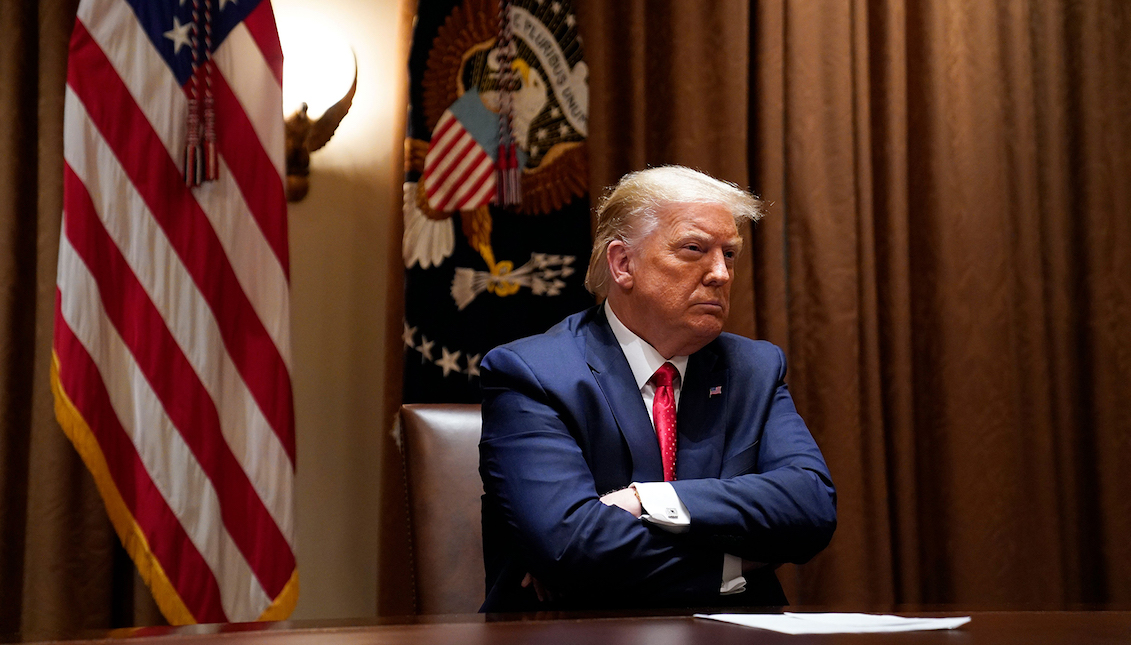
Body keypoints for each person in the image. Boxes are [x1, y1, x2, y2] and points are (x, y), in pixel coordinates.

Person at [478, 166, 836, 612]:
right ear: (623, 263)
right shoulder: (533, 373)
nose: (721, 274)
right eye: (694, 249)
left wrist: (645, 499)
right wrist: (742, 560)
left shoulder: (753, 369)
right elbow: (570, 548)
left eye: (730, 253)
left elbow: (811, 506)